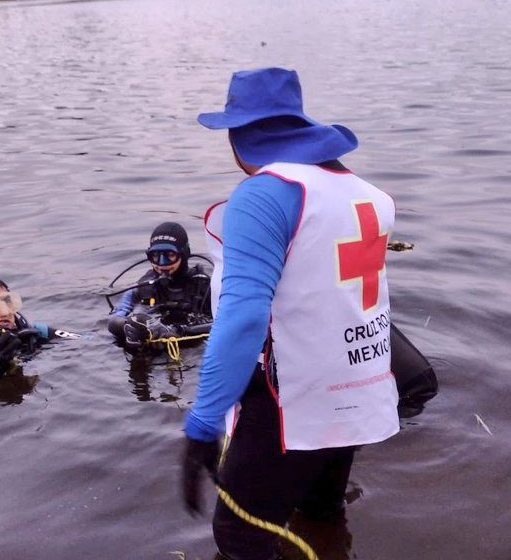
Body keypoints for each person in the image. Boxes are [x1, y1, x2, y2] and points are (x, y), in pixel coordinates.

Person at [180, 67, 436, 559]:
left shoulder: (262, 195)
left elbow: (243, 320)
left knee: (239, 537)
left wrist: (203, 424)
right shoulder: (364, 191)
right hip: (359, 382)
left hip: (291, 397)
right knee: (321, 511)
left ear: (239, 136)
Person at [107, 222, 212, 352]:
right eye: (155, 255)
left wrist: (181, 330)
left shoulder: (205, 287)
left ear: (184, 254)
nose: (162, 263)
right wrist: (129, 328)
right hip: (153, 347)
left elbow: (227, 323)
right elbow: (114, 319)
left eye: (170, 255)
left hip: (194, 348)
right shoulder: (143, 287)